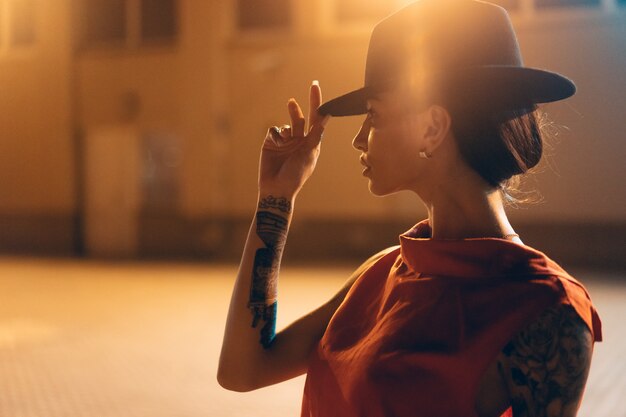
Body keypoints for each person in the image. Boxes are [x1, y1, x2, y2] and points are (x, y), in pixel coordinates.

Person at [218, 0, 602, 416]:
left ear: (432, 128)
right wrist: (276, 197)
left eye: (374, 115)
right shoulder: (381, 273)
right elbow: (243, 370)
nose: (359, 139)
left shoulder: (545, 307)